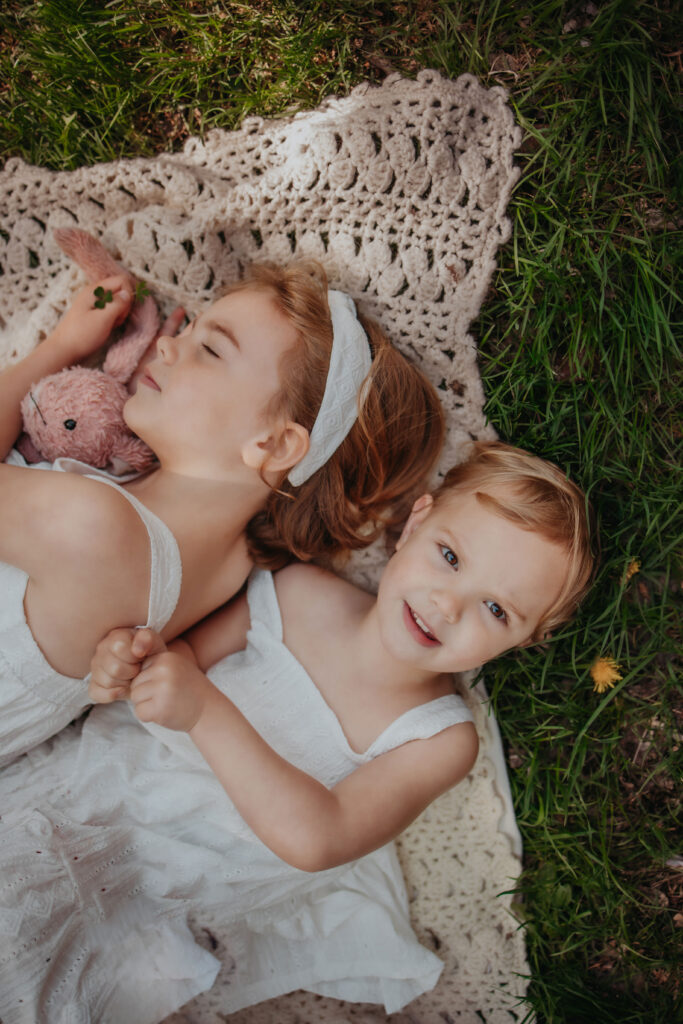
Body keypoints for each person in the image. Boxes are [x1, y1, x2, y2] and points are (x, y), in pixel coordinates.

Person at [0, 441, 594, 1024]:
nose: (448, 604)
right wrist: (131, 663)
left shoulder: (438, 739)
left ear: (527, 639)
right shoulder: (299, 592)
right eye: (450, 557)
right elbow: (181, 658)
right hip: (85, 787)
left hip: (154, 894)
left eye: (496, 610)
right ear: (417, 523)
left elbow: (318, 839)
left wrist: (204, 710)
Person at [0, 259, 444, 767]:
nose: (167, 346)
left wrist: (61, 348)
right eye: (188, 330)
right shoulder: (232, 569)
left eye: (209, 349)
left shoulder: (93, 526)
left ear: (274, 444)